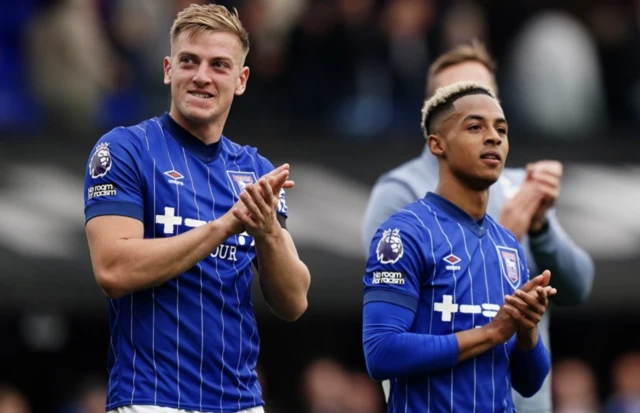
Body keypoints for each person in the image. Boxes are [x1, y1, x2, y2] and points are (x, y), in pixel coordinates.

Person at [83, 4, 311, 413]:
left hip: (240, 401)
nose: (202, 76)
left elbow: (294, 301)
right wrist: (223, 226)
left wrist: (268, 231)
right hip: (151, 398)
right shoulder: (124, 150)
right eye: (190, 61)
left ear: (240, 80)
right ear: (169, 69)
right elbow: (113, 269)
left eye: (219, 65)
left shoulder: (254, 170)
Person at [361, 41, 595, 412]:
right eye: (475, 126)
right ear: (436, 144)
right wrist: (490, 334)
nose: (494, 137)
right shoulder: (403, 230)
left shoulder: (508, 245)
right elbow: (380, 352)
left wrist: (527, 330)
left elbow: (530, 381)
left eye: (501, 129)